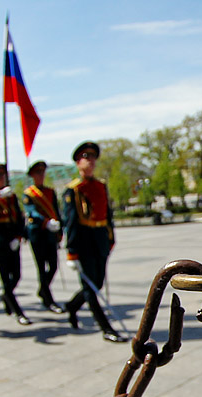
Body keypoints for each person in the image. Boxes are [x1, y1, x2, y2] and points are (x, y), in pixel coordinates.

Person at [63, 141, 127, 342]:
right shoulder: (73, 190)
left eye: (92, 158)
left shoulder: (100, 186)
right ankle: (106, 328)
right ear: (77, 162)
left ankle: (72, 307)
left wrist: (110, 238)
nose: (90, 161)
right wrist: (71, 252)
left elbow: (107, 215)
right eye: (85, 158)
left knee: (96, 283)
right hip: (83, 243)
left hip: (100, 240)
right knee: (91, 287)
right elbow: (71, 222)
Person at [0, 163, 30, 325]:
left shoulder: (11, 196)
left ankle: (6, 296)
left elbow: (19, 217)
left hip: (12, 238)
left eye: (3, 176)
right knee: (5, 278)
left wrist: (19, 235)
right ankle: (17, 311)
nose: (2, 179)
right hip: (0, 240)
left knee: (16, 275)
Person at [22, 161, 62, 313]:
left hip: (50, 233)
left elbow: (56, 211)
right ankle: (48, 299)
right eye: (37, 173)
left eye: (42, 173)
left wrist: (59, 229)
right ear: (32, 176)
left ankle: (42, 289)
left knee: (53, 266)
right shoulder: (28, 193)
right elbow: (31, 212)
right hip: (37, 233)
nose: (41, 176)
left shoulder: (50, 192)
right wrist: (46, 222)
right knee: (41, 267)